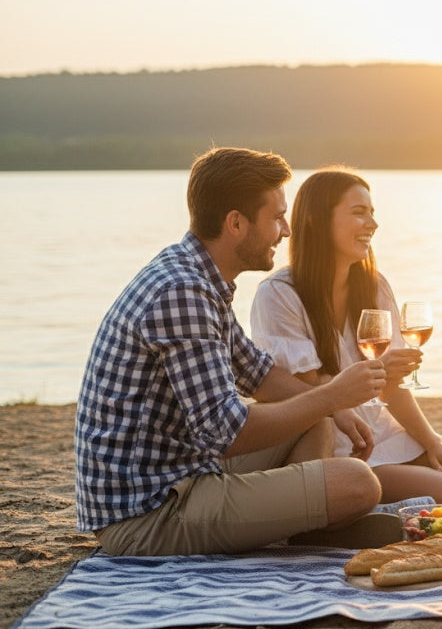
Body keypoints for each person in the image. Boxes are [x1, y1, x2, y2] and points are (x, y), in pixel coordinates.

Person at [75, 147, 391, 557]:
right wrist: (331, 395)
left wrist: (335, 409)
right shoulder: (182, 292)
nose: (286, 231)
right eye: (277, 217)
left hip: (182, 471)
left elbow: (258, 373)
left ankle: (307, 520)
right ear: (236, 223)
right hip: (148, 513)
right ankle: (313, 516)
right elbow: (227, 431)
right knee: (358, 482)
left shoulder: (200, 279)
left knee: (317, 421)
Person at [250, 167, 442, 507]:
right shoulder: (279, 294)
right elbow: (310, 386)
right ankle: (360, 504)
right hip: (336, 434)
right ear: (317, 220)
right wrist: (375, 375)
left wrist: (434, 442)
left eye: (372, 213)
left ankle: (385, 500)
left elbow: (392, 387)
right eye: (359, 213)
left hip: (380, 426)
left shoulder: (374, 286)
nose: (373, 225)